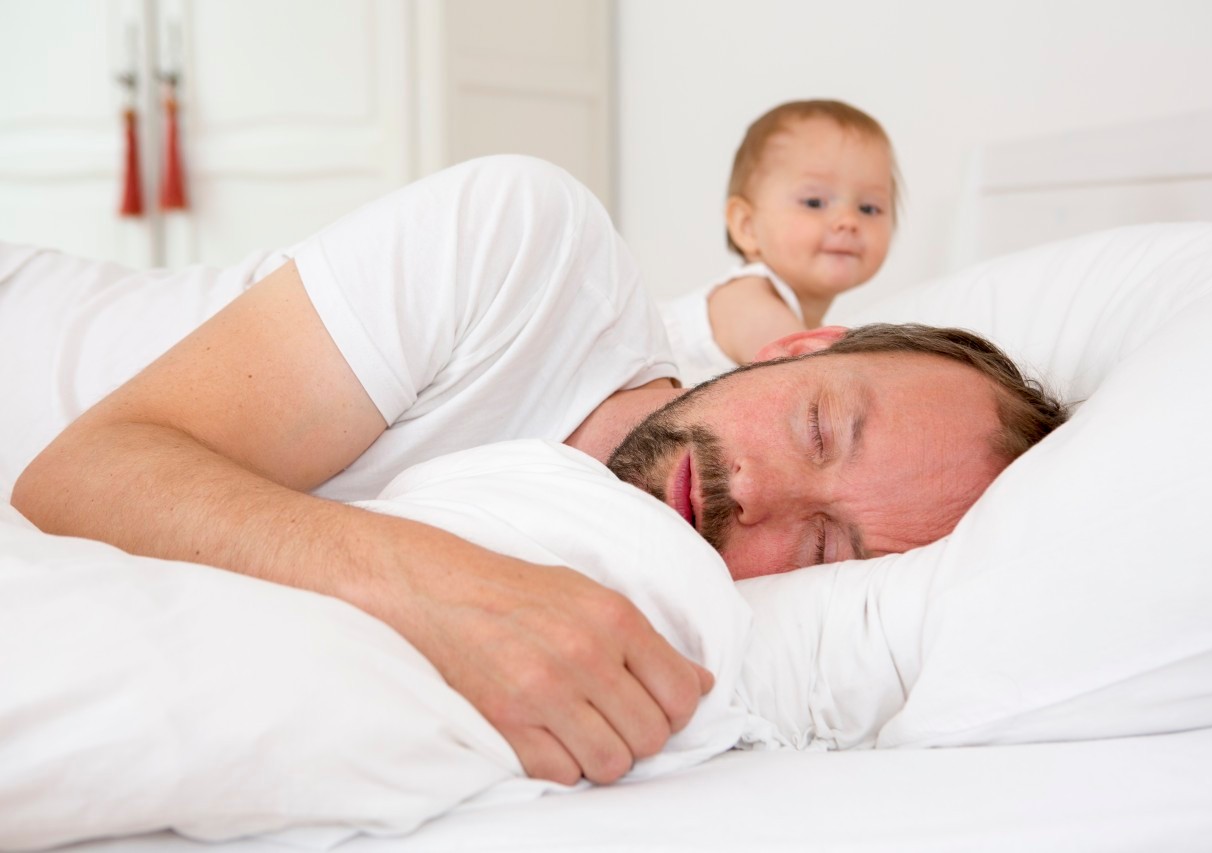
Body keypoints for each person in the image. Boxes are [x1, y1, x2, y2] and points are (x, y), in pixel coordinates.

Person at [9, 155, 1064, 790]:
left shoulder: (675, 604)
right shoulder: (526, 252)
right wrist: (435, 592)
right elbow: (78, 477)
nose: (764, 497)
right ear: (790, 349)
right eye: (818, 429)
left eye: (828, 545)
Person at [662, 99, 899, 386]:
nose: (848, 220)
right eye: (814, 202)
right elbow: (814, 386)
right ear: (746, 226)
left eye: (869, 208)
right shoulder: (750, 300)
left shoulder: (797, 322)